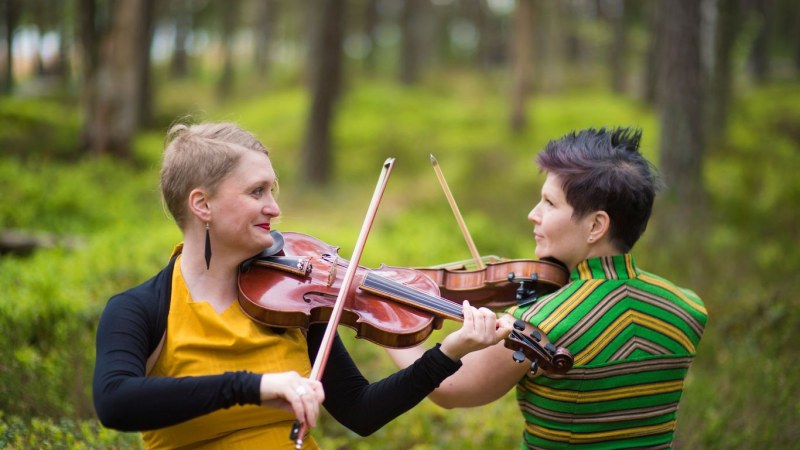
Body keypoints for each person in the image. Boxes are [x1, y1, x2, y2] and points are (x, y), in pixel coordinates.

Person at [92, 121, 511, 449]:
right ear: (202, 204)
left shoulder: (290, 298)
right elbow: (115, 401)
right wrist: (254, 386)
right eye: (257, 192)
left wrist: (449, 352)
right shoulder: (139, 308)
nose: (274, 207)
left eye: (272, 190)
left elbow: (361, 412)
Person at [387, 127, 708, 449]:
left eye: (549, 203)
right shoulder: (687, 307)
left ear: (596, 225)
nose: (533, 215)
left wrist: (387, 320)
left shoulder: (539, 324)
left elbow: (450, 389)